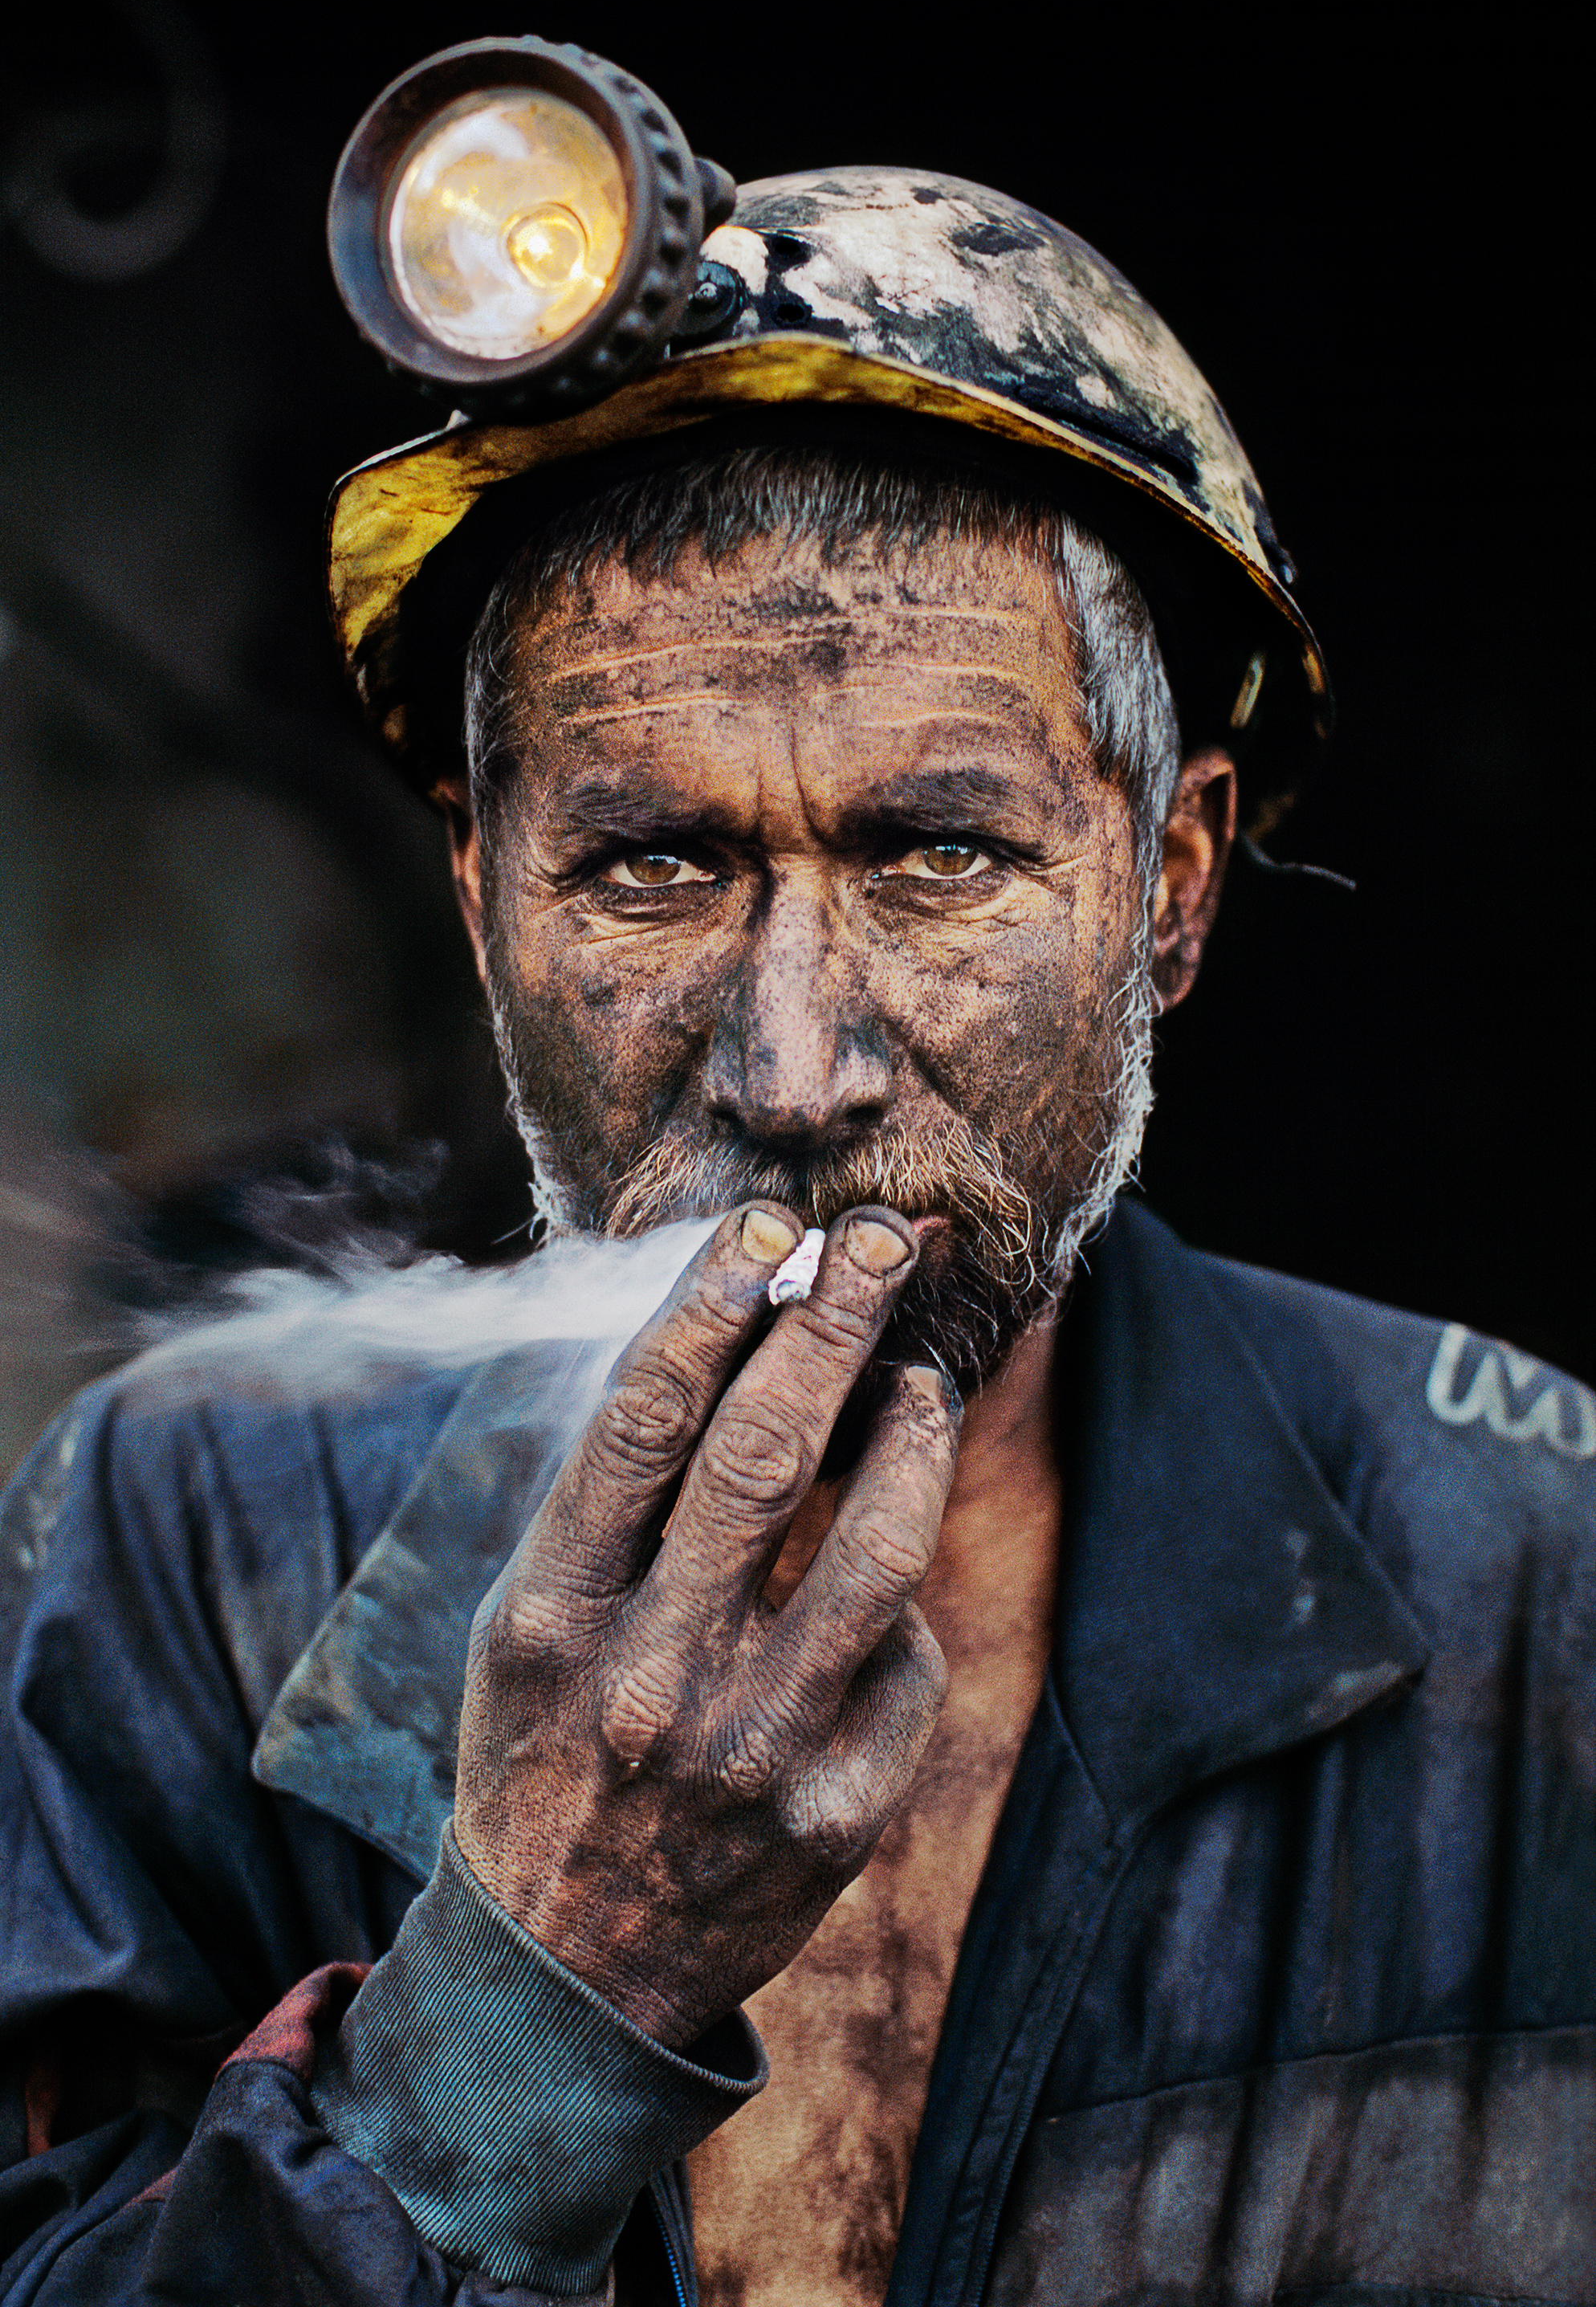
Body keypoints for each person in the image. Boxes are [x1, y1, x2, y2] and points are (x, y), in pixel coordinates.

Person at [2, 132, 1592, 2307]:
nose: (791, 1066)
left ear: (1174, 890)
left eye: (936, 853)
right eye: (652, 865)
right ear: (479, 901)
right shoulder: (180, 1536)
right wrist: (536, 1987)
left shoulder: (1538, 1564)